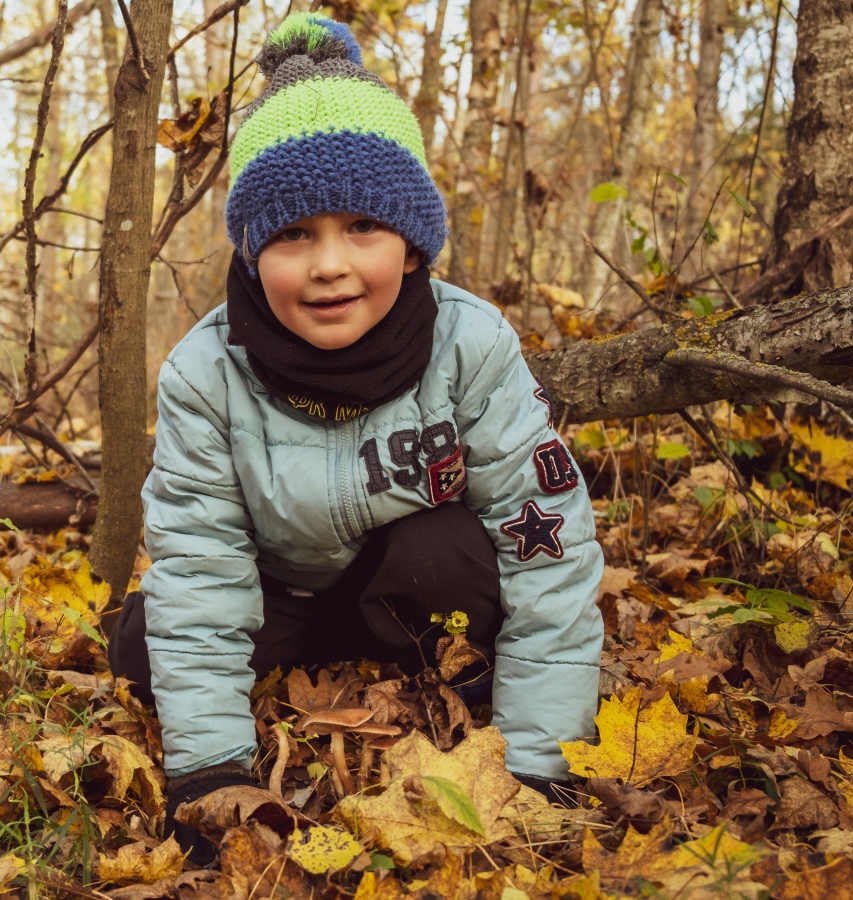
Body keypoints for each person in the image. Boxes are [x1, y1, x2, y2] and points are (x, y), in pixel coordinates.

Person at [104, 13, 602, 863]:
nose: (329, 264)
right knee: (146, 637)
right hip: (279, 592)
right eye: (295, 233)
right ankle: (274, 681)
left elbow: (545, 549)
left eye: (361, 228)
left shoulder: (472, 346)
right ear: (256, 250)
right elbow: (200, 567)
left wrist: (543, 761)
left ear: (411, 245)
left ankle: (456, 680)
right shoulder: (204, 373)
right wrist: (209, 776)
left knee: (449, 549)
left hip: (410, 587)